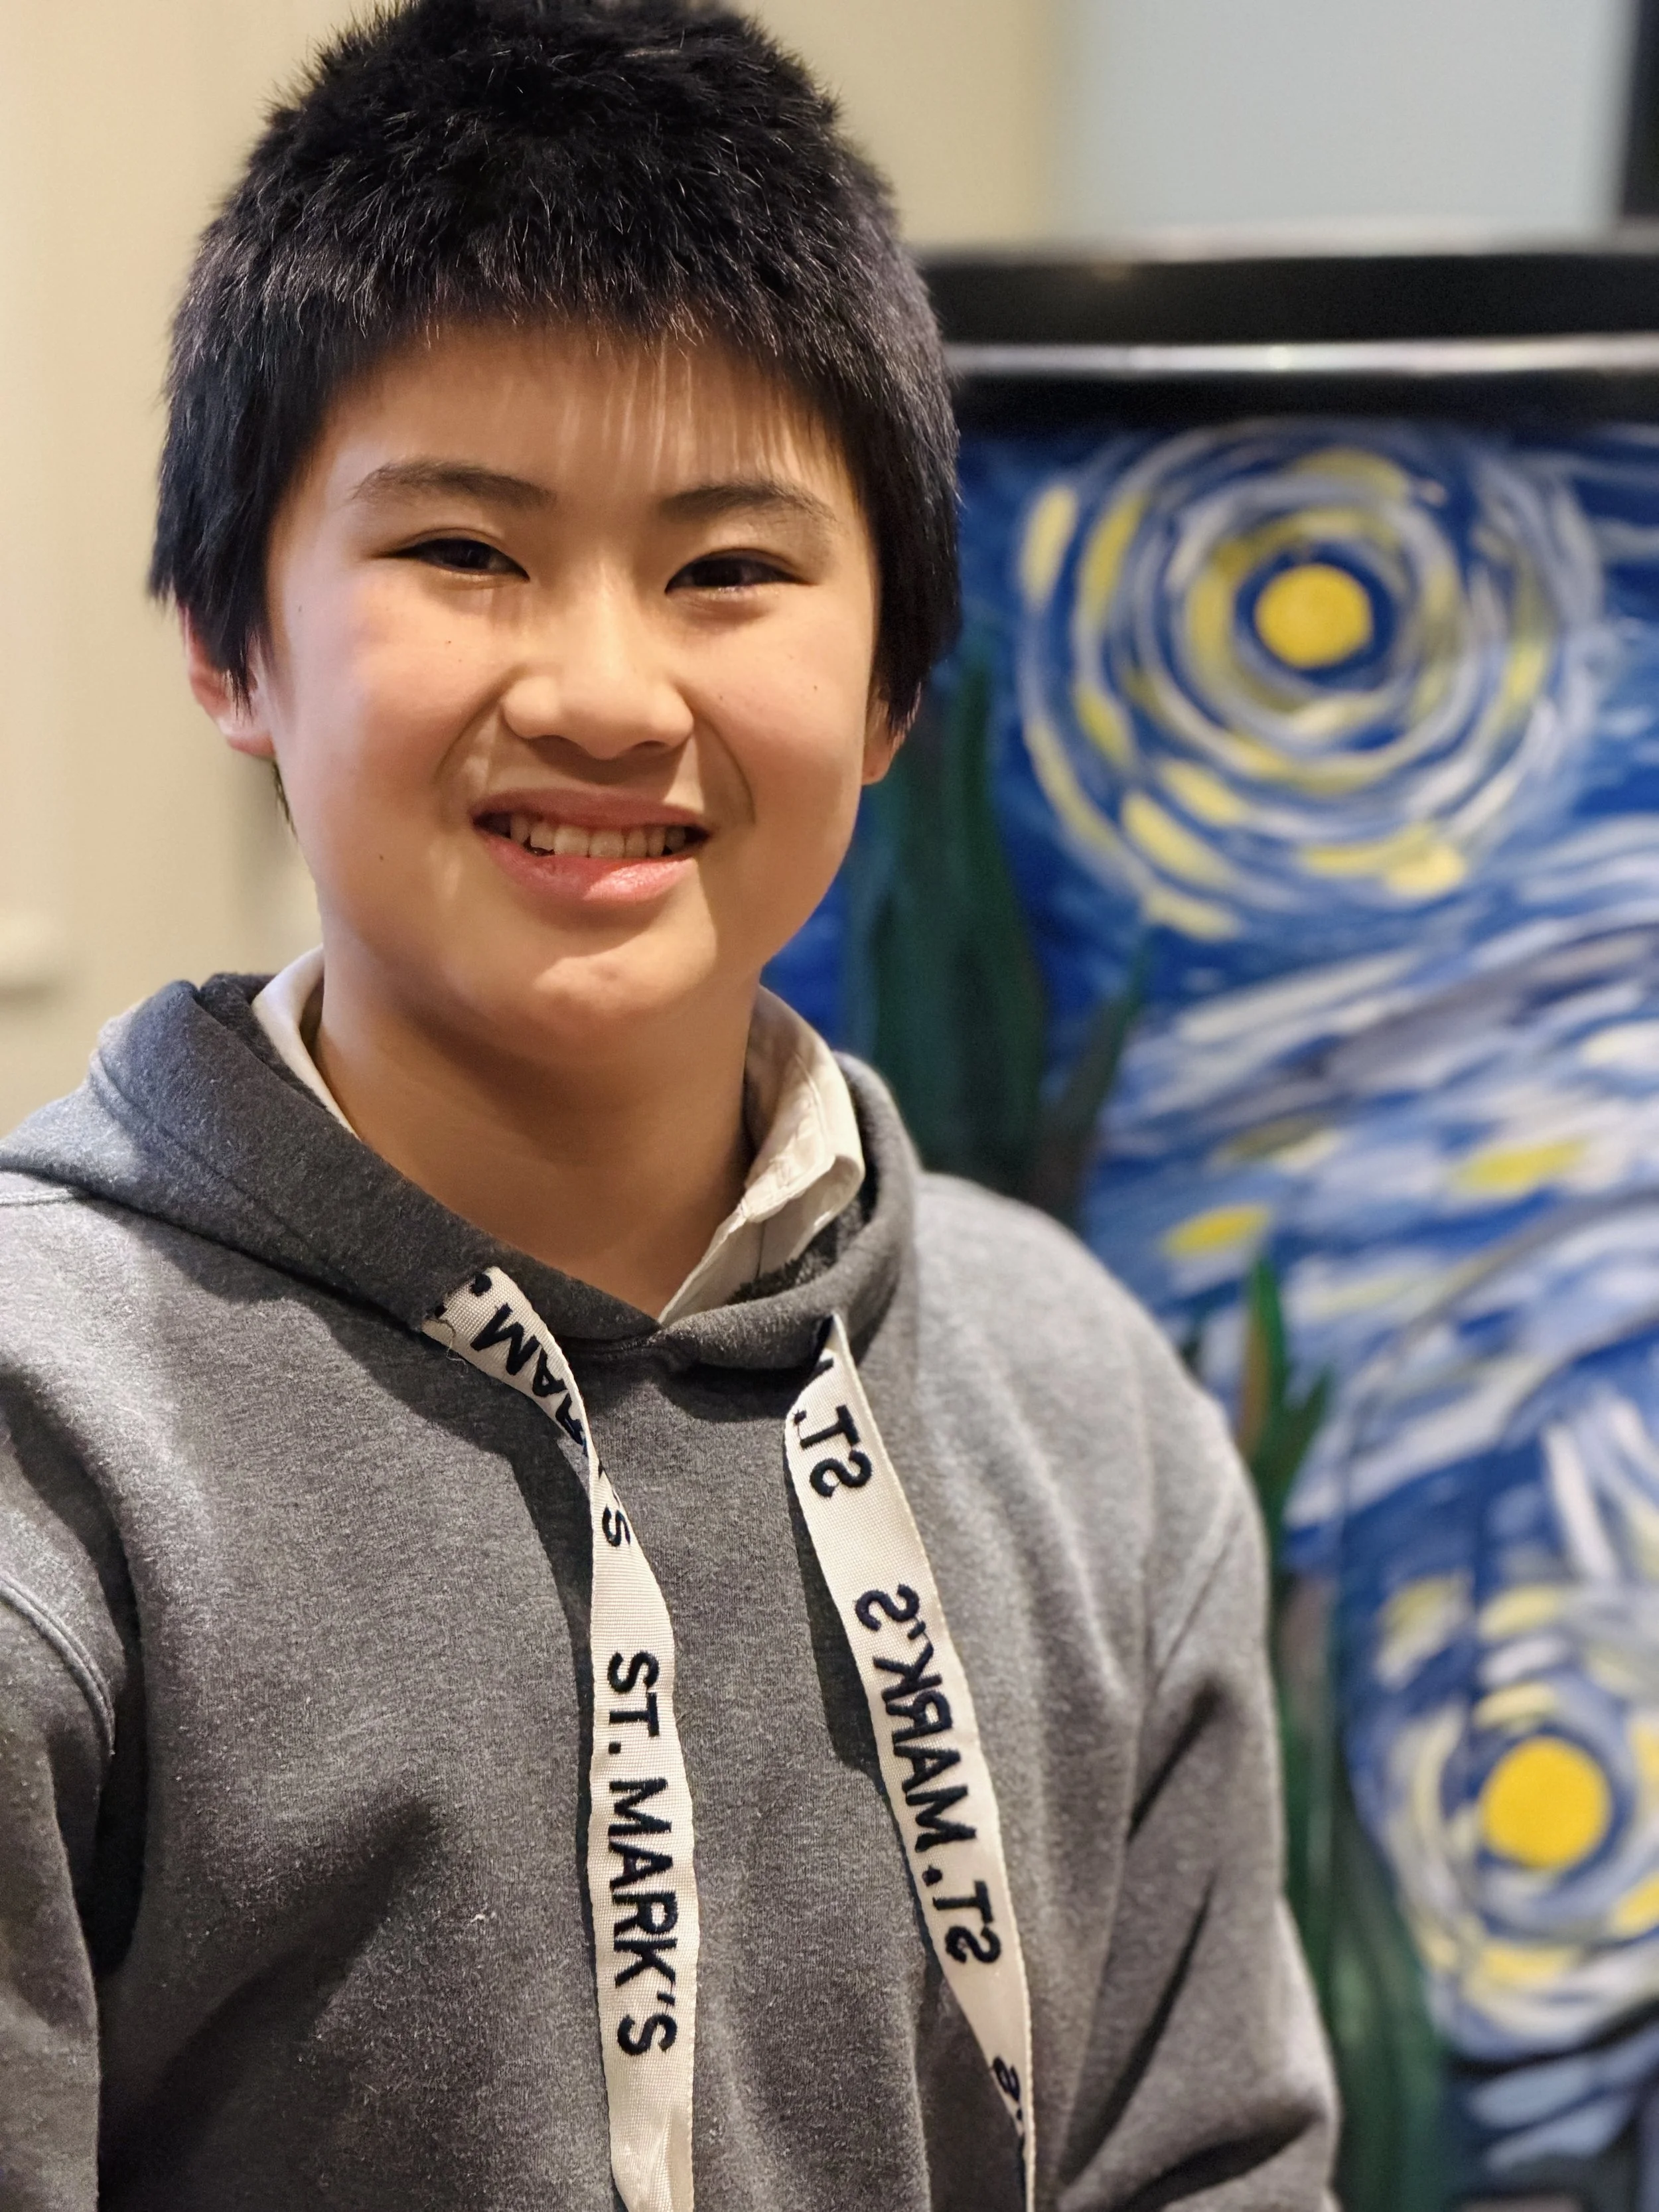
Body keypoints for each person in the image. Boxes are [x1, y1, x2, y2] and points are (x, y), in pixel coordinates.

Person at [0, 3, 1336, 2206]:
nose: (606, 691)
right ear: (231, 640)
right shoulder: (60, 1442)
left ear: (898, 675)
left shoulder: (1079, 1410)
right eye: (464, 552)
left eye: (729, 569)